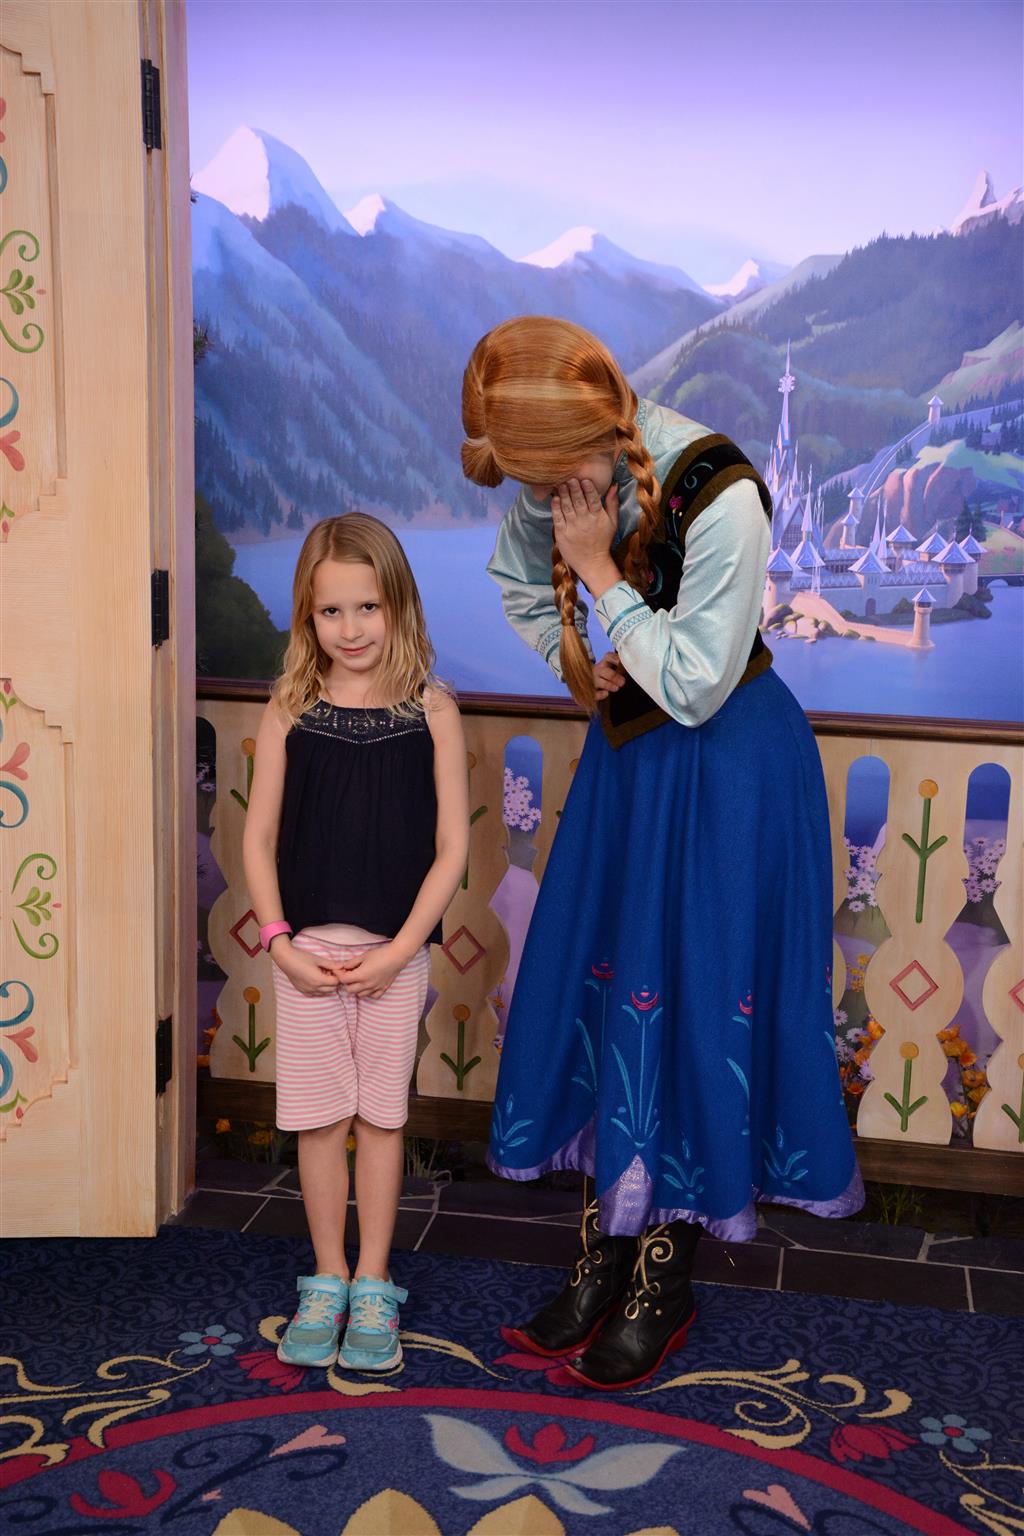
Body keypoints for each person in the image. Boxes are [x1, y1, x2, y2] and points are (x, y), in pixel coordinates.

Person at [461, 316, 862, 1390]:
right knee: (614, 992)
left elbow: (691, 683)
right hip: (631, 769)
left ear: (588, 427)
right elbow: (516, 580)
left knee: (691, 995)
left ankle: (663, 1277)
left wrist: (599, 571)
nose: (540, 500)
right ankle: (606, 1249)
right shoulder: (563, 479)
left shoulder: (723, 495)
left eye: (545, 478)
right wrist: (573, 658)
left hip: (728, 773)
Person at [243, 513, 469, 1372]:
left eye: (367, 607)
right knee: (317, 1119)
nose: (351, 628)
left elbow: (452, 848)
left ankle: (374, 1280)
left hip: (394, 957)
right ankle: (327, 1277)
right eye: (331, 611)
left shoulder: (432, 710)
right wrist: (279, 944)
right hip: (303, 955)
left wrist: (401, 950)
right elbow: (259, 838)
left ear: (398, 604)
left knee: (380, 1118)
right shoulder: (290, 707)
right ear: (308, 615)